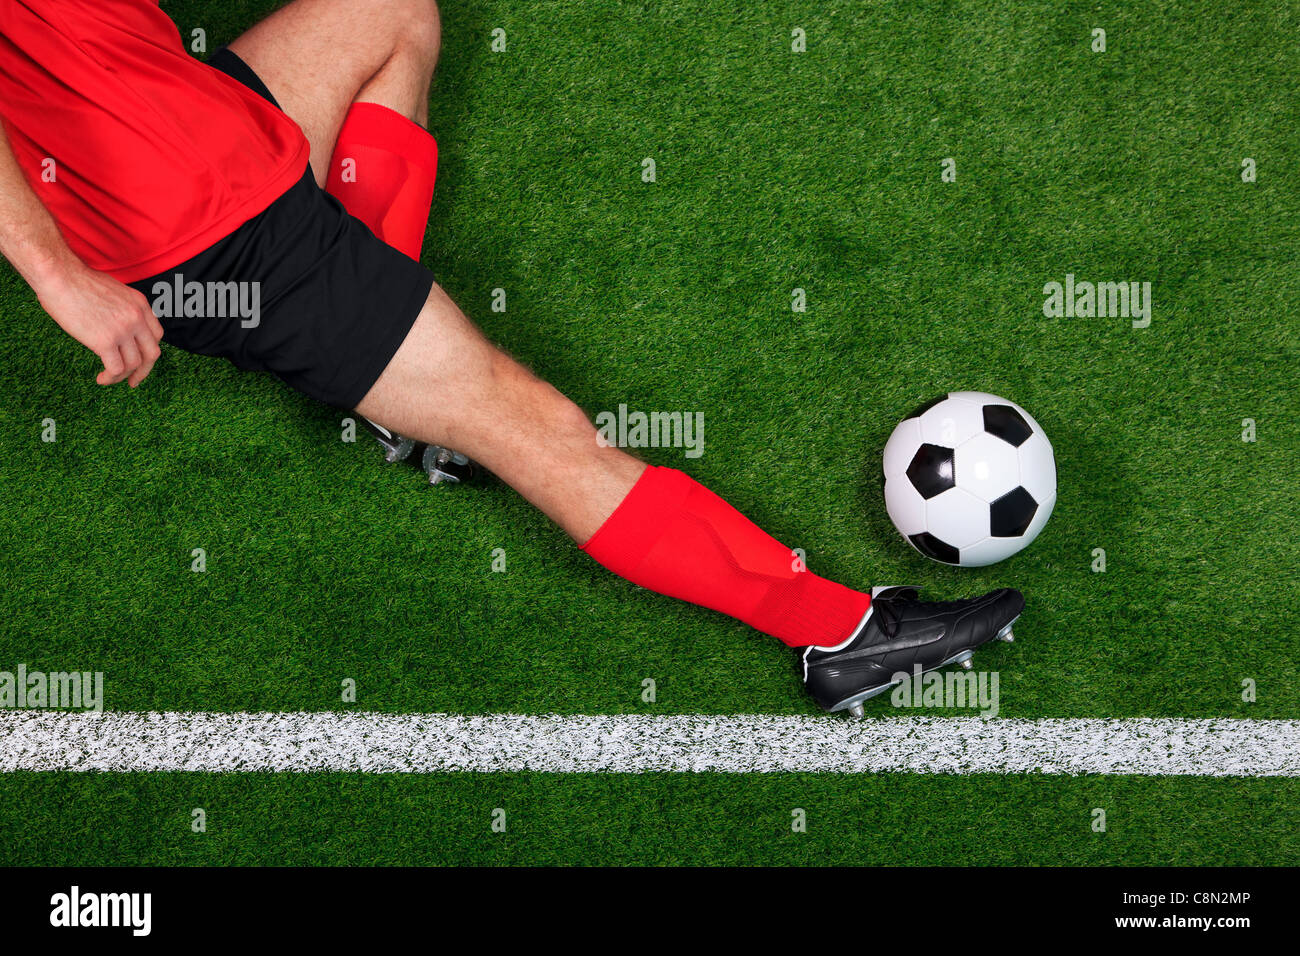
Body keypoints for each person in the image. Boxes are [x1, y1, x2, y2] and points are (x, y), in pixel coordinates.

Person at [0, 0, 1022, 716]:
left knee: (389, 10)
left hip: (191, 124)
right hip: (215, 232)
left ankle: (395, 388)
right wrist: (53, 270)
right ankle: (841, 636)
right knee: (536, 424)